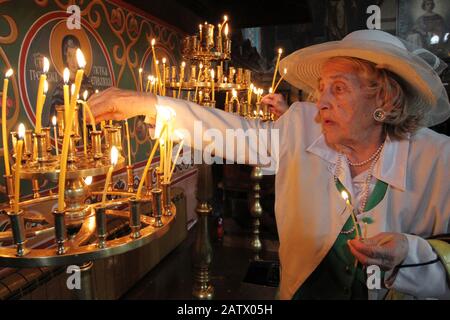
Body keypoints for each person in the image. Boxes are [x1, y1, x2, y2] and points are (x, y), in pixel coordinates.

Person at [88, 30, 450, 300]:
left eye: (338, 89)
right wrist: (153, 105)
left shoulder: (438, 159)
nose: (320, 101)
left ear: (384, 99)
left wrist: (411, 254)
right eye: (321, 88)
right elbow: (234, 134)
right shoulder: (301, 125)